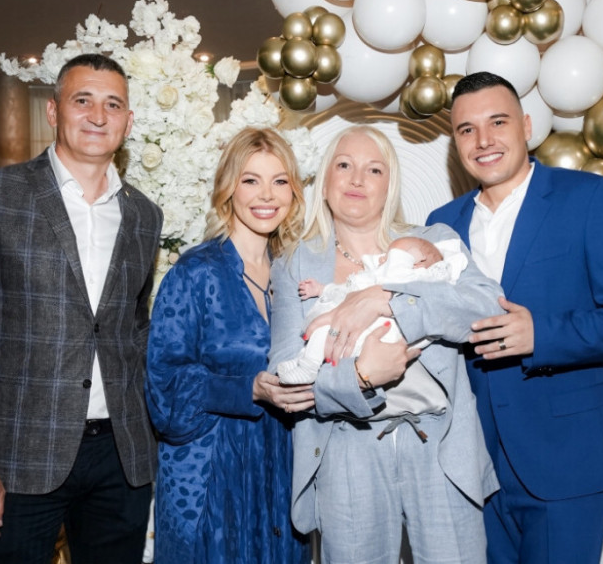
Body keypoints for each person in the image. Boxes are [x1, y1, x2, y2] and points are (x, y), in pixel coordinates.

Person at [0, 54, 161, 564]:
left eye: (113, 105)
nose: (98, 116)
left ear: (128, 122)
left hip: (121, 457)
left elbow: (133, 330)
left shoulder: (144, 215)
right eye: (83, 100)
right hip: (16, 456)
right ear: (54, 111)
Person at [427, 71, 603, 564]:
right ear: (455, 142)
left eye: (498, 122)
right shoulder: (441, 225)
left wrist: (542, 334)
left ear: (526, 126)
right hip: (473, 464)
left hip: (565, 459)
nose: (483, 140)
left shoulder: (589, 198)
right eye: (467, 129)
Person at [270, 124, 503, 564]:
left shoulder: (433, 242)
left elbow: (486, 306)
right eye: (344, 165)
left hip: (440, 445)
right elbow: (285, 377)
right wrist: (359, 377)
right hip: (346, 447)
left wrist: (385, 299)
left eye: (374, 169)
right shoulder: (295, 264)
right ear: (325, 180)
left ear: (390, 185)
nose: (357, 179)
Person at [145, 127, 313, 563]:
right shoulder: (194, 273)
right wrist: (247, 389)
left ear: (293, 192)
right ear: (228, 189)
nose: (267, 195)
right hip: (208, 482)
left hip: (282, 477)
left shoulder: (295, 274)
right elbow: (163, 392)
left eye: (280, 181)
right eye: (250, 180)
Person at [277, 236, 468, 385]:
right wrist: (322, 289)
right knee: (323, 335)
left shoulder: (415, 277)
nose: (383, 258)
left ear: (415, 261)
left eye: (392, 255)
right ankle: (303, 360)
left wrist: (401, 258)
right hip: (353, 337)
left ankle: (309, 367)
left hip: (374, 338)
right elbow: (347, 292)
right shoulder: (376, 276)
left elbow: (397, 279)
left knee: (323, 331)